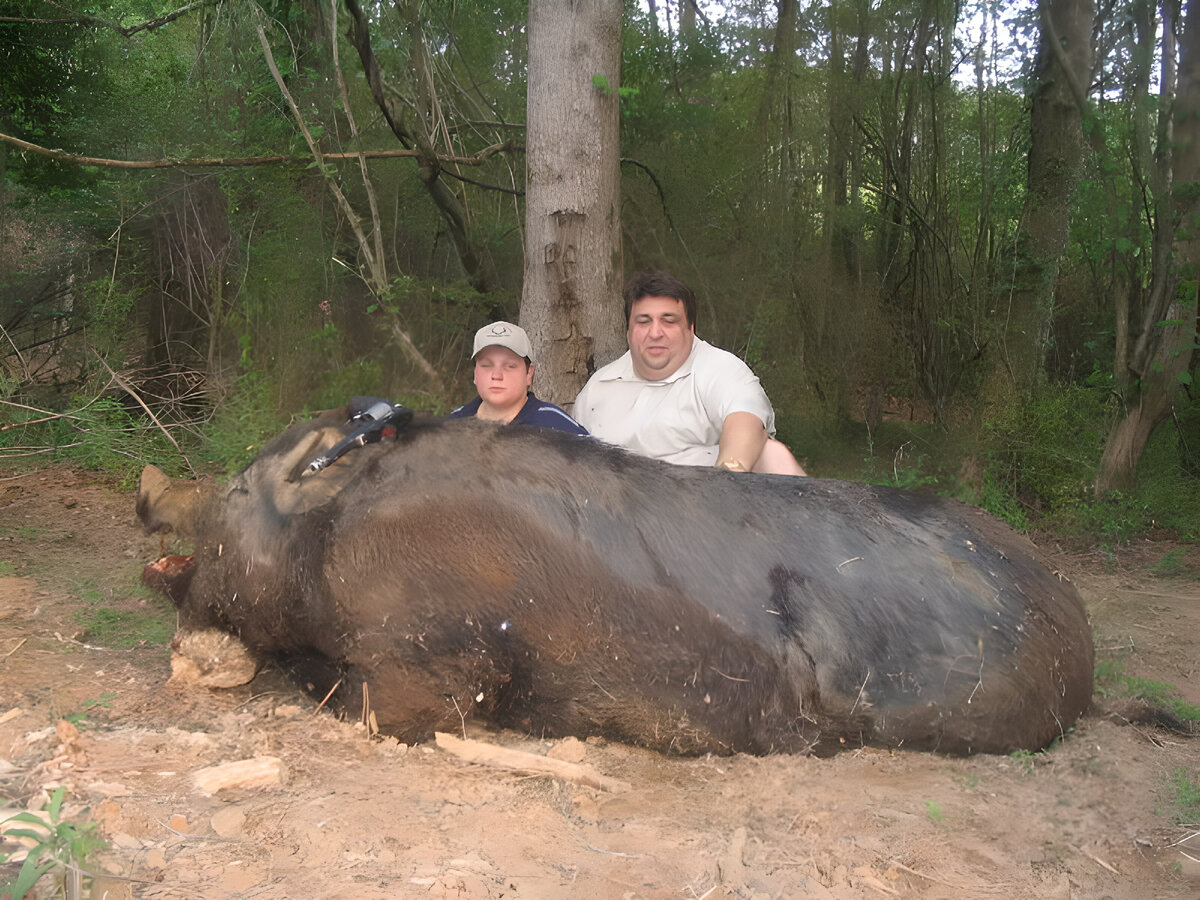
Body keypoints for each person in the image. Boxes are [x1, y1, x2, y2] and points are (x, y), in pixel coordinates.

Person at [573, 270, 805, 475]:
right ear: (628, 331)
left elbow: (746, 420)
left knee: (773, 456)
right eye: (643, 322)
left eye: (668, 321)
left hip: (707, 508)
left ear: (690, 328)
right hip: (616, 511)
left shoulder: (720, 369)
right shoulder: (598, 389)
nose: (655, 333)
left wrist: (725, 485)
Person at [448, 321, 588, 435]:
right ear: (475, 374)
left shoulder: (557, 427)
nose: (496, 375)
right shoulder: (451, 426)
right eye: (486, 365)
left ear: (529, 374)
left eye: (510, 366)